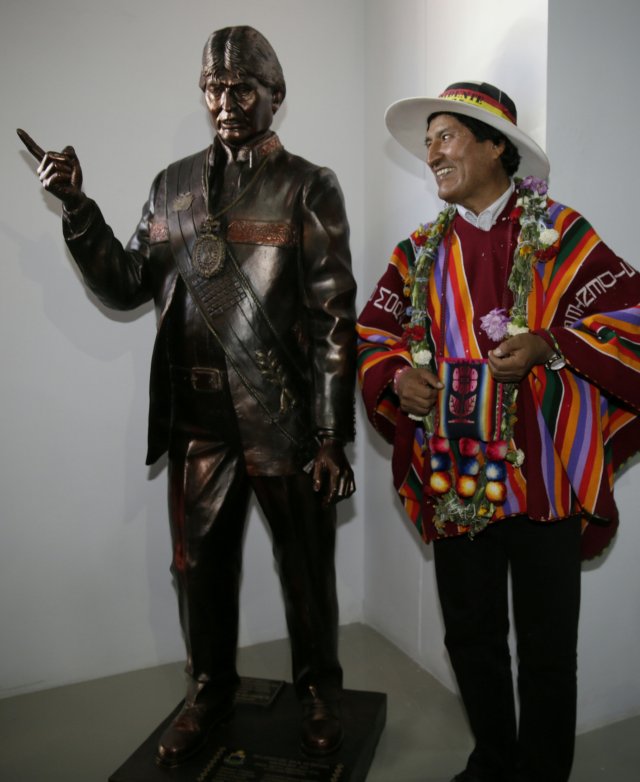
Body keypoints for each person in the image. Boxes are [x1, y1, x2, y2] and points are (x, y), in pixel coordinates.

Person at [20, 25, 356, 767]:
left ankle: (321, 692)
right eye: (213, 88)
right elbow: (126, 282)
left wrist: (333, 435)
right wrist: (78, 209)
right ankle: (208, 689)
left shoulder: (308, 184)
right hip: (198, 420)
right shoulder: (169, 186)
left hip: (284, 422)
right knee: (197, 570)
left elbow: (333, 318)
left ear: (277, 95)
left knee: (306, 571)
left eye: (242, 88)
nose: (225, 103)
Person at [357, 81, 640, 782]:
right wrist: (396, 376)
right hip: (456, 477)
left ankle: (542, 772)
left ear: (495, 148)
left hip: (543, 480)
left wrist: (550, 345)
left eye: (446, 137)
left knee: (547, 644)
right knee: (472, 635)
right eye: (428, 144)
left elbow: (629, 319)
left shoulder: (561, 234)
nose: (432, 154)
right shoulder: (417, 251)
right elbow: (371, 332)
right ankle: (492, 759)